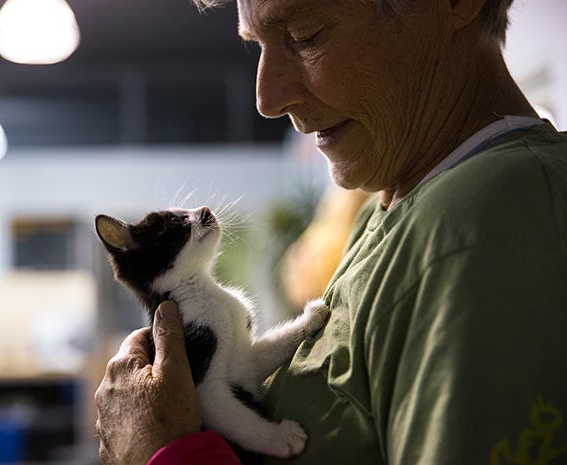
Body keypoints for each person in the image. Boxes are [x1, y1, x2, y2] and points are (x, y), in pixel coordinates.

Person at [94, 0, 567, 463]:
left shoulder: (488, 221)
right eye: (256, 46)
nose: (266, 99)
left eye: (305, 36)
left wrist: (158, 451)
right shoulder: (385, 209)